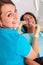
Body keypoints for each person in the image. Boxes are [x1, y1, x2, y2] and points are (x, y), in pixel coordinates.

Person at [0, 0, 40, 65]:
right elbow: (33, 56)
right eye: (9, 15)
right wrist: (36, 35)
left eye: (15, 11)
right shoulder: (19, 37)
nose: (16, 17)